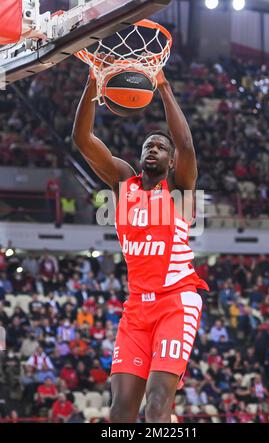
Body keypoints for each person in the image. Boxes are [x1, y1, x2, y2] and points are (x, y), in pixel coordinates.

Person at [73, 64, 209, 423]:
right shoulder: (123, 184)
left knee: (157, 404)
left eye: (161, 147)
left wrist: (162, 85)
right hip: (136, 308)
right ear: (139, 156)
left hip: (176, 302)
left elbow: (187, 144)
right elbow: (82, 139)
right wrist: (93, 83)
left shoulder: (179, 190)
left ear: (170, 160)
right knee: (119, 412)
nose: (154, 149)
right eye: (148, 145)